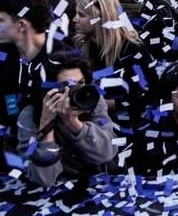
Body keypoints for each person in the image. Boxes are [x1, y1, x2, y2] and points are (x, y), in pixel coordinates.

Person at [72, 0, 160, 172]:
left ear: (100, 17)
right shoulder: (80, 45)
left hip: (131, 137)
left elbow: (150, 95)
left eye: (81, 15)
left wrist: (107, 103)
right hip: (91, 132)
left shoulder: (133, 50)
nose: (75, 20)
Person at [15, 51, 118, 188]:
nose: (75, 91)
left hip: (98, 182)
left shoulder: (94, 103)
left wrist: (73, 123)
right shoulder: (29, 116)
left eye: (80, 83)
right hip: (54, 191)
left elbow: (106, 153)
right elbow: (43, 179)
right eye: (66, 85)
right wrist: (46, 126)